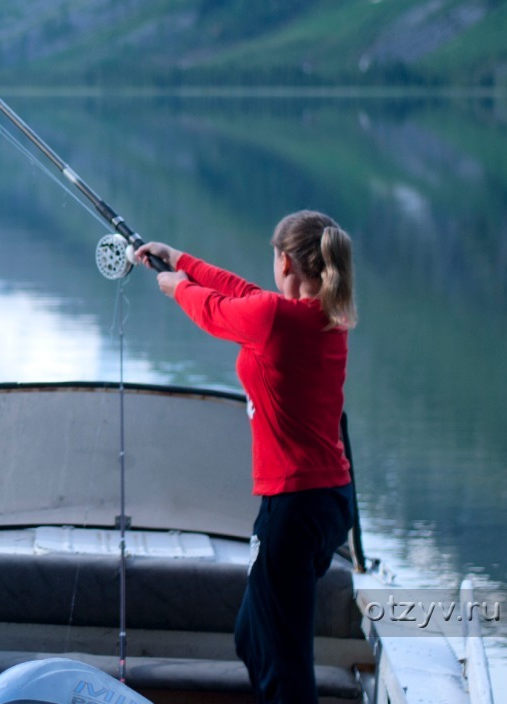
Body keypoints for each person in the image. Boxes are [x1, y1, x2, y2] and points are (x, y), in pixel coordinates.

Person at [134, 210, 357, 704]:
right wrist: (180, 259)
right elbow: (240, 293)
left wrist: (176, 285)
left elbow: (215, 309)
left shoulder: (276, 319)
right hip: (329, 503)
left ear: (283, 261)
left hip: (292, 509)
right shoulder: (325, 316)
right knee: (253, 637)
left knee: (283, 660)